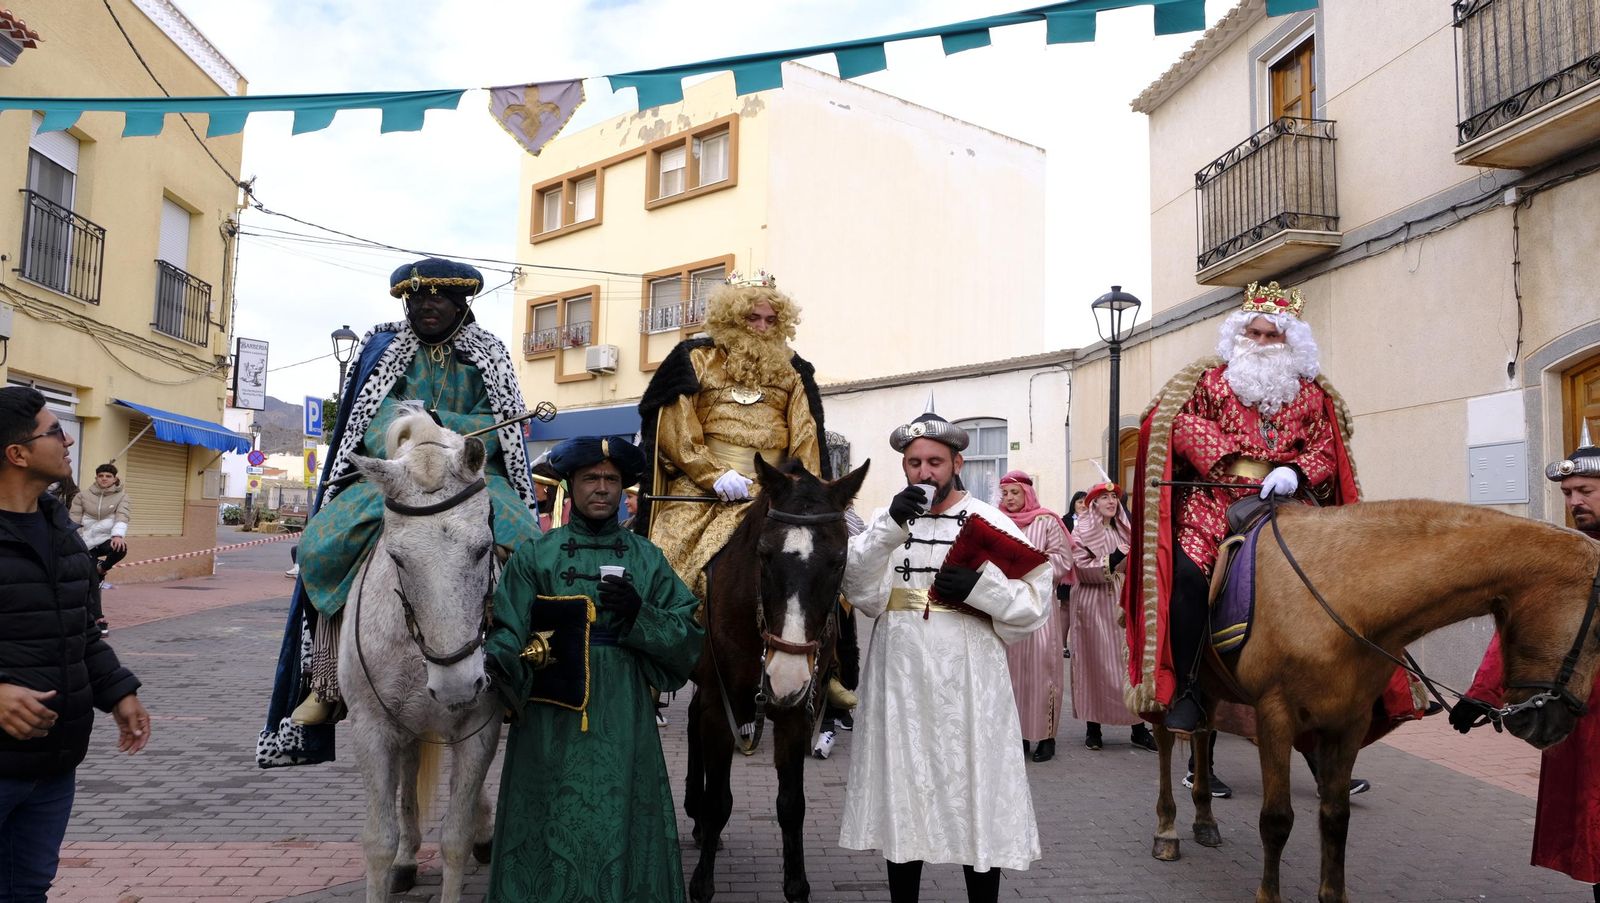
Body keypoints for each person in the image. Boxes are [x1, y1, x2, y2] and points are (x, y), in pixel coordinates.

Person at [1122, 283, 1408, 791]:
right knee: (1187, 577)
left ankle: (1334, 713)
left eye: (1270, 335)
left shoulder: (1311, 394)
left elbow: (1327, 448)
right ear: (1238, 336)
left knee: (1334, 587)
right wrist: (1229, 457)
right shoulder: (1209, 383)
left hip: (1288, 503)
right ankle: (1188, 688)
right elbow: (1176, 424)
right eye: (1252, 333)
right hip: (1214, 503)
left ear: (1289, 341)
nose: (1259, 342)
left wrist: (1295, 471)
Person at [258, 258, 542, 768]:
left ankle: (519, 667)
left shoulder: (489, 354)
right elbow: (369, 423)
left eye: (439, 296)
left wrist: (437, 426)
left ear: (461, 303)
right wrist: (413, 440)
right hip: (399, 470)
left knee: (529, 549)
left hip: (470, 475)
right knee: (321, 547)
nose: (427, 305)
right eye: (418, 297)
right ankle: (326, 680)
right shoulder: (384, 351)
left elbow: (498, 426)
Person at [839, 411, 1052, 903]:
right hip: (901, 671)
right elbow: (857, 588)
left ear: (957, 463)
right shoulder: (888, 519)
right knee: (904, 787)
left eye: (935, 462)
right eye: (914, 463)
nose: (924, 472)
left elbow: (1035, 603)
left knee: (975, 785)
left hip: (971, 674)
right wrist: (889, 528)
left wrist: (983, 588)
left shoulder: (990, 520)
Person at [483, 435, 702, 902]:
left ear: (624, 488)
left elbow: (688, 636)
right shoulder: (535, 556)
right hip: (549, 718)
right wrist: (498, 661)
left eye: (611, 480)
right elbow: (507, 628)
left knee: (619, 810)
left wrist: (640, 614)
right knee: (549, 812)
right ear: (571, 485)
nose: (602, 488)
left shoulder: (647, 558)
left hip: (622, 712)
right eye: (590, 478)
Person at [0, 386, 149, 900]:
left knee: (26, 890)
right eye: (54, 431)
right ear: (17, 454)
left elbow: (79, 629)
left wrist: (118, 691)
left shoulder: (60, 527)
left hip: (51, 763)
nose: (68, 441)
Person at [1453, 444, 1600, 901]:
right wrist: (1483, 693)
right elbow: (1524, 628)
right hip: (1584, 715)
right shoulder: (1565, 557)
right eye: (1568, 493)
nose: (1575, 501)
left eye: (1586, 490)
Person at [634, 273, 827, 601]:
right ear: (732, 317)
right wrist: (716, 475)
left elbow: (805, 437)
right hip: (701, 488)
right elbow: (675, 429)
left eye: (771, 320)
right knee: (666, 561)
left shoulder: (793, 371)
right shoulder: (697, 359)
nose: (762, 327)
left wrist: (800, 490)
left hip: (772, 490)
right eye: (753, 318)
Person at [1071, 481, 1156, 753]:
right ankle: (1093, 729)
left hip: (1123, 600)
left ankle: (1138, 728)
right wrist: (1115, 556)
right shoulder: (1080, 531)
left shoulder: (1125, 529)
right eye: (1104, 497)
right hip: (1092, 602)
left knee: (1128, 662)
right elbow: (1081, 567)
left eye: (1114, 497)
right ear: (1094, 503)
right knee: (1094, 663)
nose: (1111, 501)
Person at [996, 470, 1074, 763]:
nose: (1009, 498)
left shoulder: (1047, 521)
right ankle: (1017, 735)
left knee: (1042, 670)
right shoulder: (997, 521)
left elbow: (1063, 559)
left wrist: (1028, 567)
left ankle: (1045, 736)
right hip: (1007, 607)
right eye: (1005, 493)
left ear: (1027, 493)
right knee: (1011, 673)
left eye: (1014, 492)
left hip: (1040, 605)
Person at [71, 463, 131, 597]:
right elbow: (74, 518)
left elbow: (122, 516)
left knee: (120, 548)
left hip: (105, 539)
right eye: (101, 476)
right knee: (92, 581)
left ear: (115, 479)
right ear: (96, 478)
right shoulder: (82, 496)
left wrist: (118, 536)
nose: (104, 478)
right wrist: (76, 539)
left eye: (108, 476)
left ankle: (102, 568)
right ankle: (95, 612)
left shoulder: (122, 497)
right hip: (86, 542)